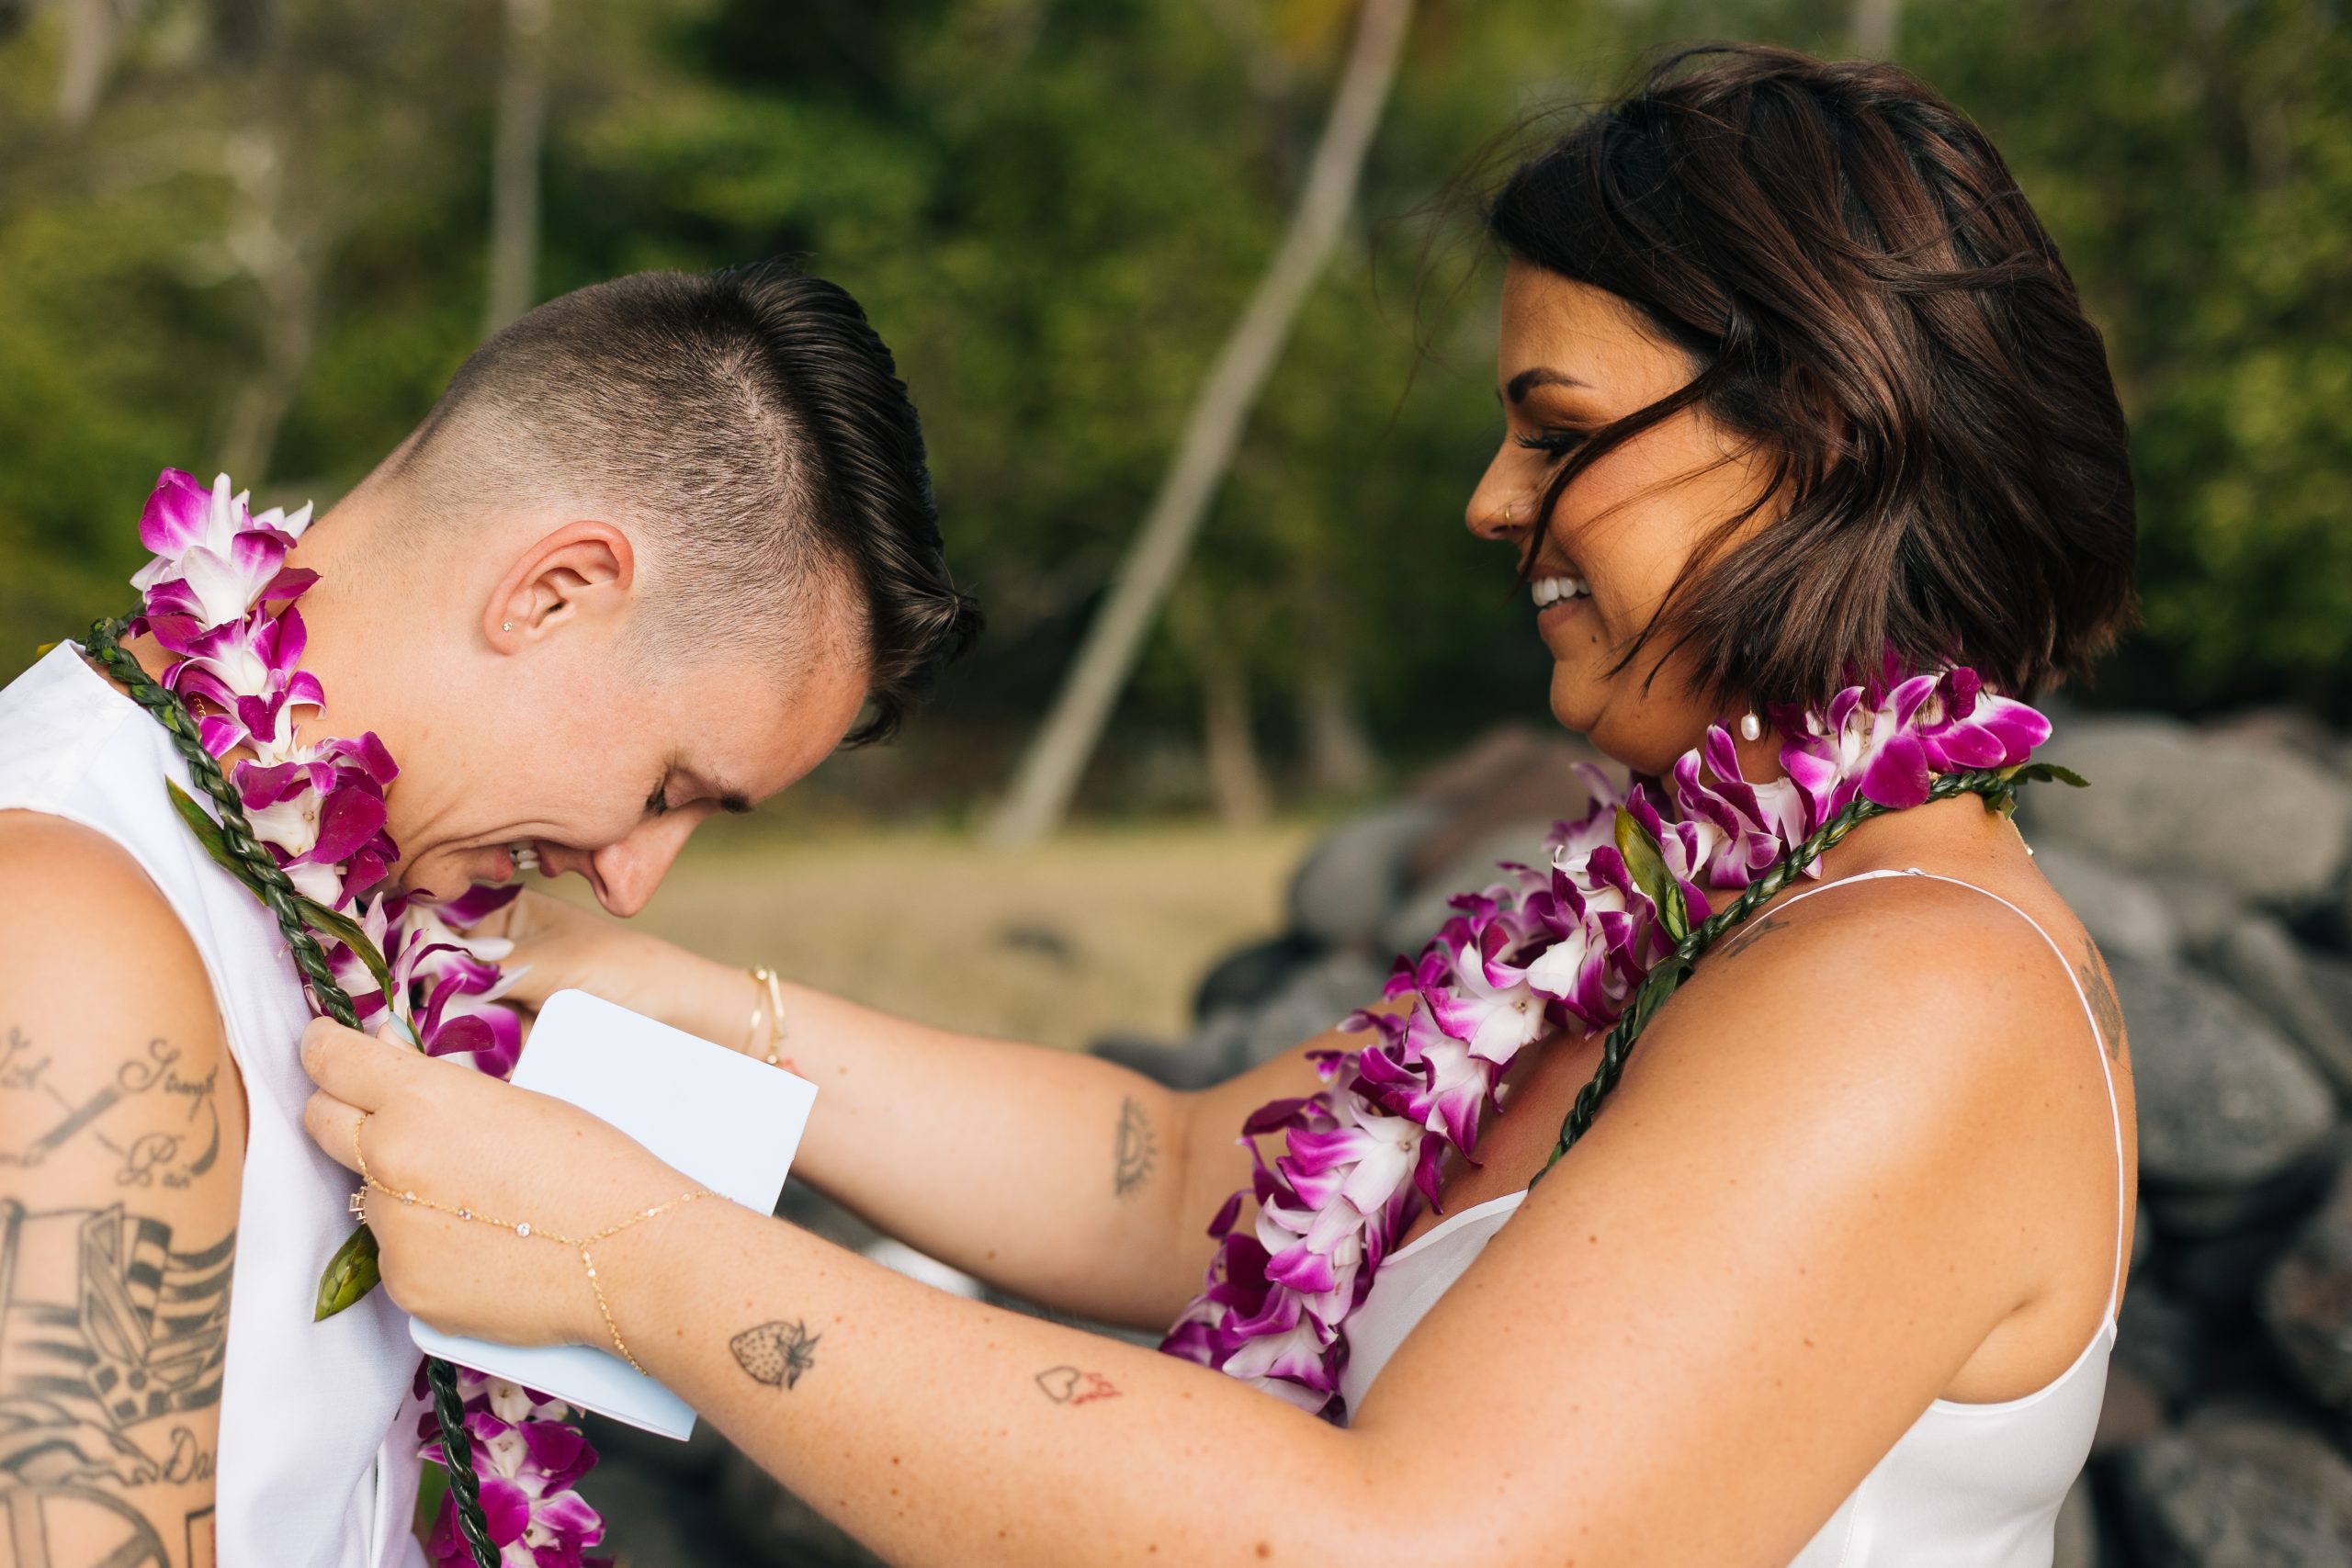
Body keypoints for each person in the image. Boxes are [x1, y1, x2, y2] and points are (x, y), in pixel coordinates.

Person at [298, 44, 2141, 1567]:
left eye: (1556, 426)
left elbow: (1404, 1548)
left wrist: (632, 1255)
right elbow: (1183, 1182)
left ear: (1813, 433)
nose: (1496, 503)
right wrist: (676, 991)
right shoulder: (1694, 917)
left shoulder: (1916, 986)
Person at [0, 263, 977, 1566]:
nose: (632, 885)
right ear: (555, 590)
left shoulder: (379, 913)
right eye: (667, 790)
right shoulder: (66, 929)